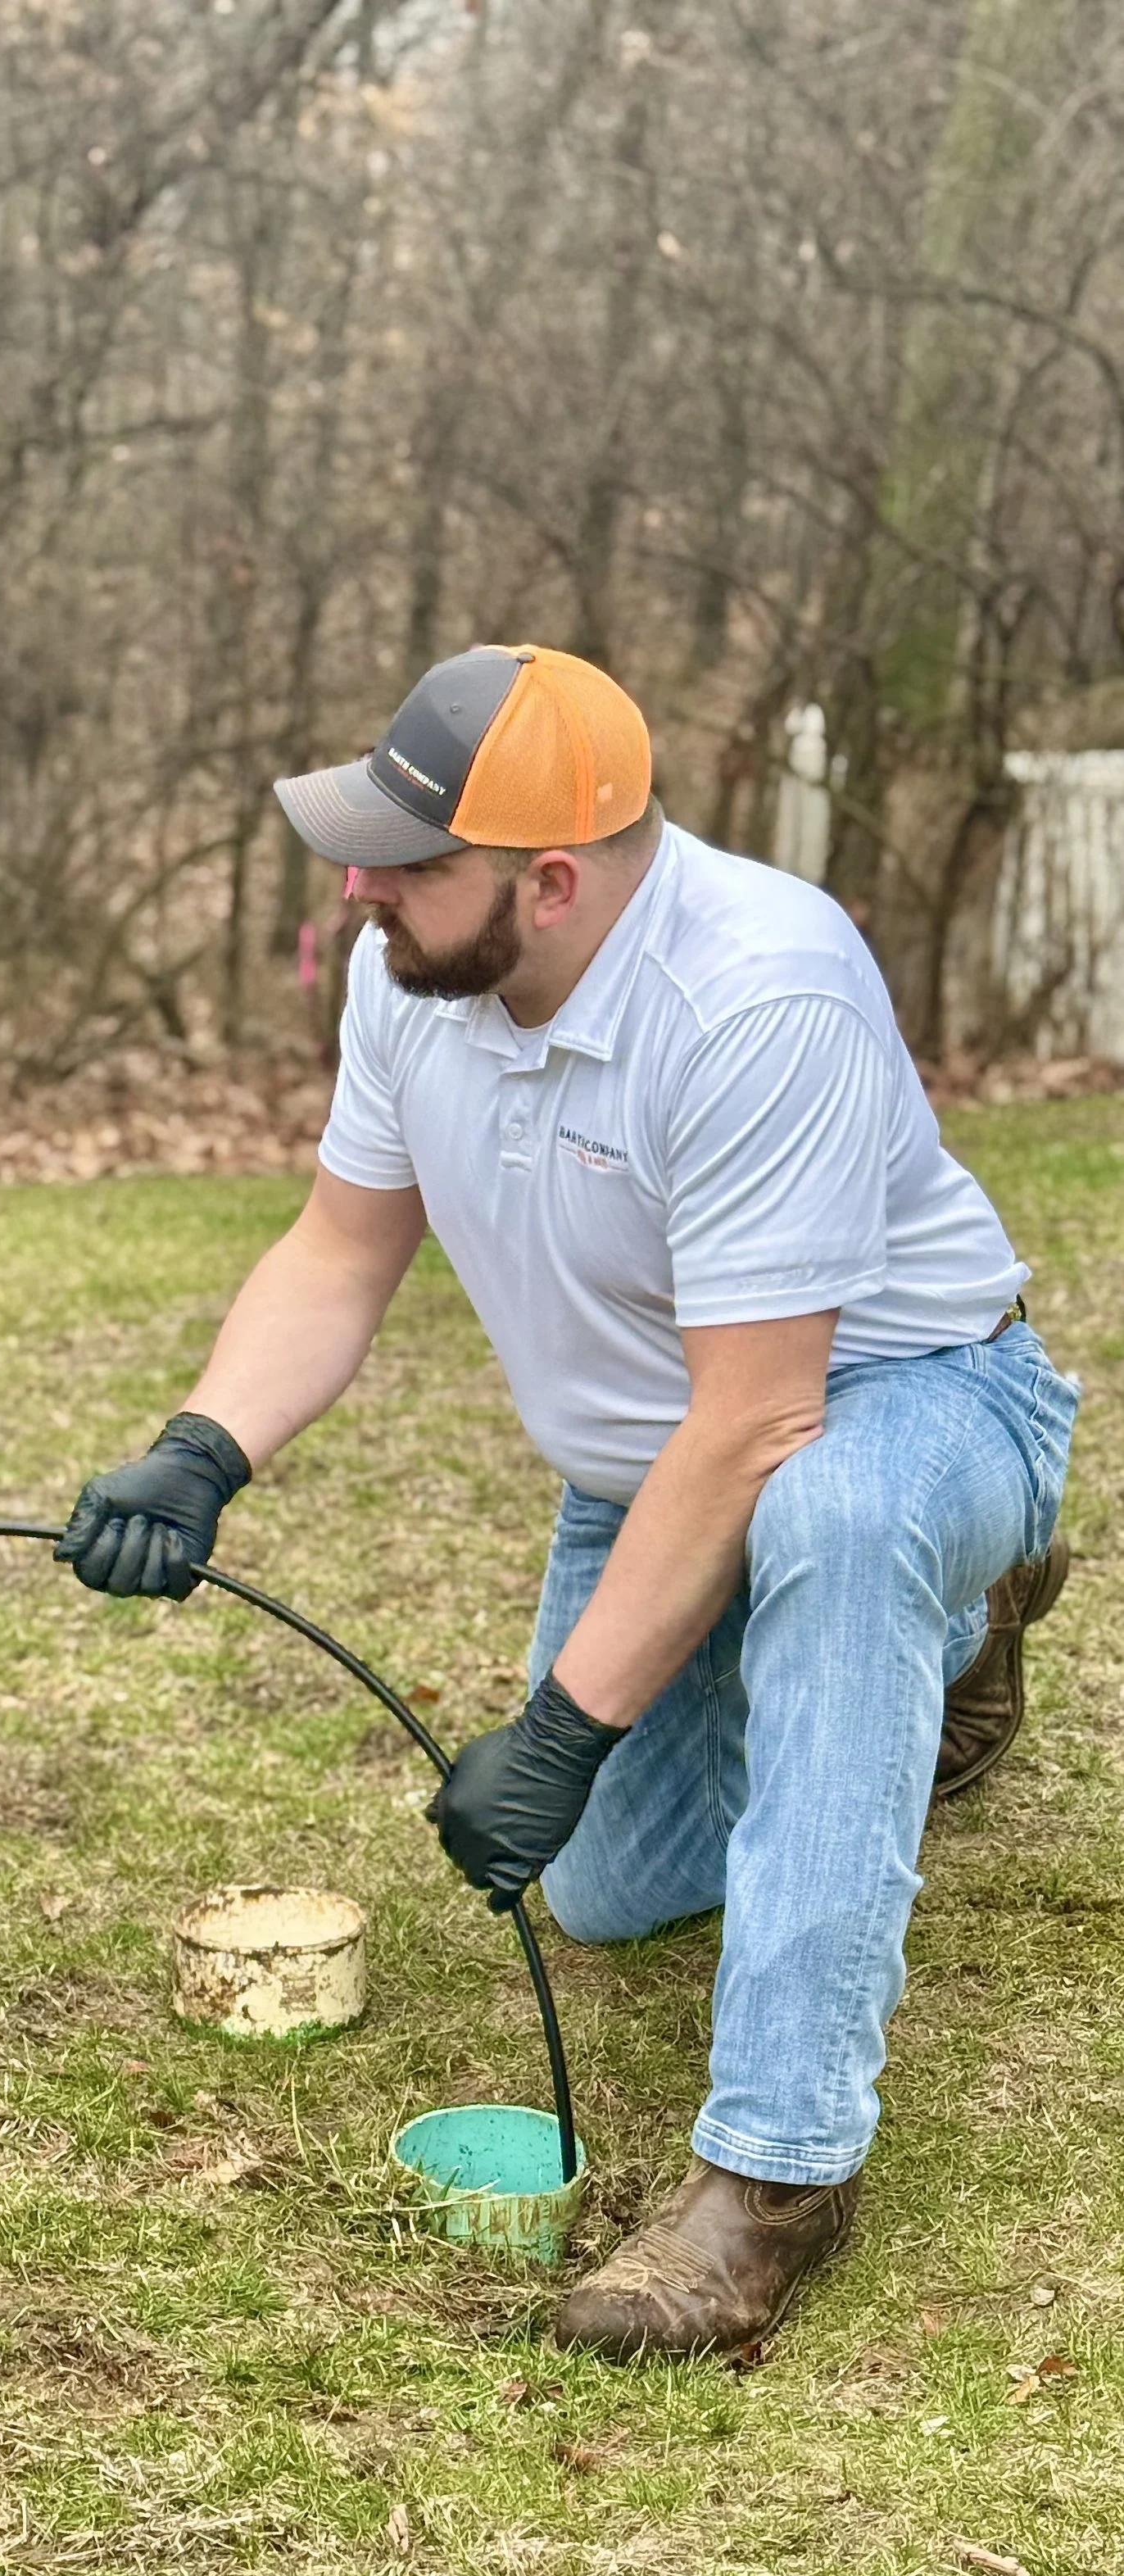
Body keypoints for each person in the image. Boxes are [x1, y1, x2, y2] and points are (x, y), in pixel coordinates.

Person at [55, 645, 1076, 2361]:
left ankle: (774, 2173)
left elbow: (759, 1418)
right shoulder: (414, 979)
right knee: (602, 1889)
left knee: (830, 1529)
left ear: (549, 878)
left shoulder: (758, 996)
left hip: (895, 1410)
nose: (359, 887)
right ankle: (932, 1653)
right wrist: (200, 1446)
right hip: (654, 1466)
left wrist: (560, 1717)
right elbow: (337, 1250)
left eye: (405, 858)